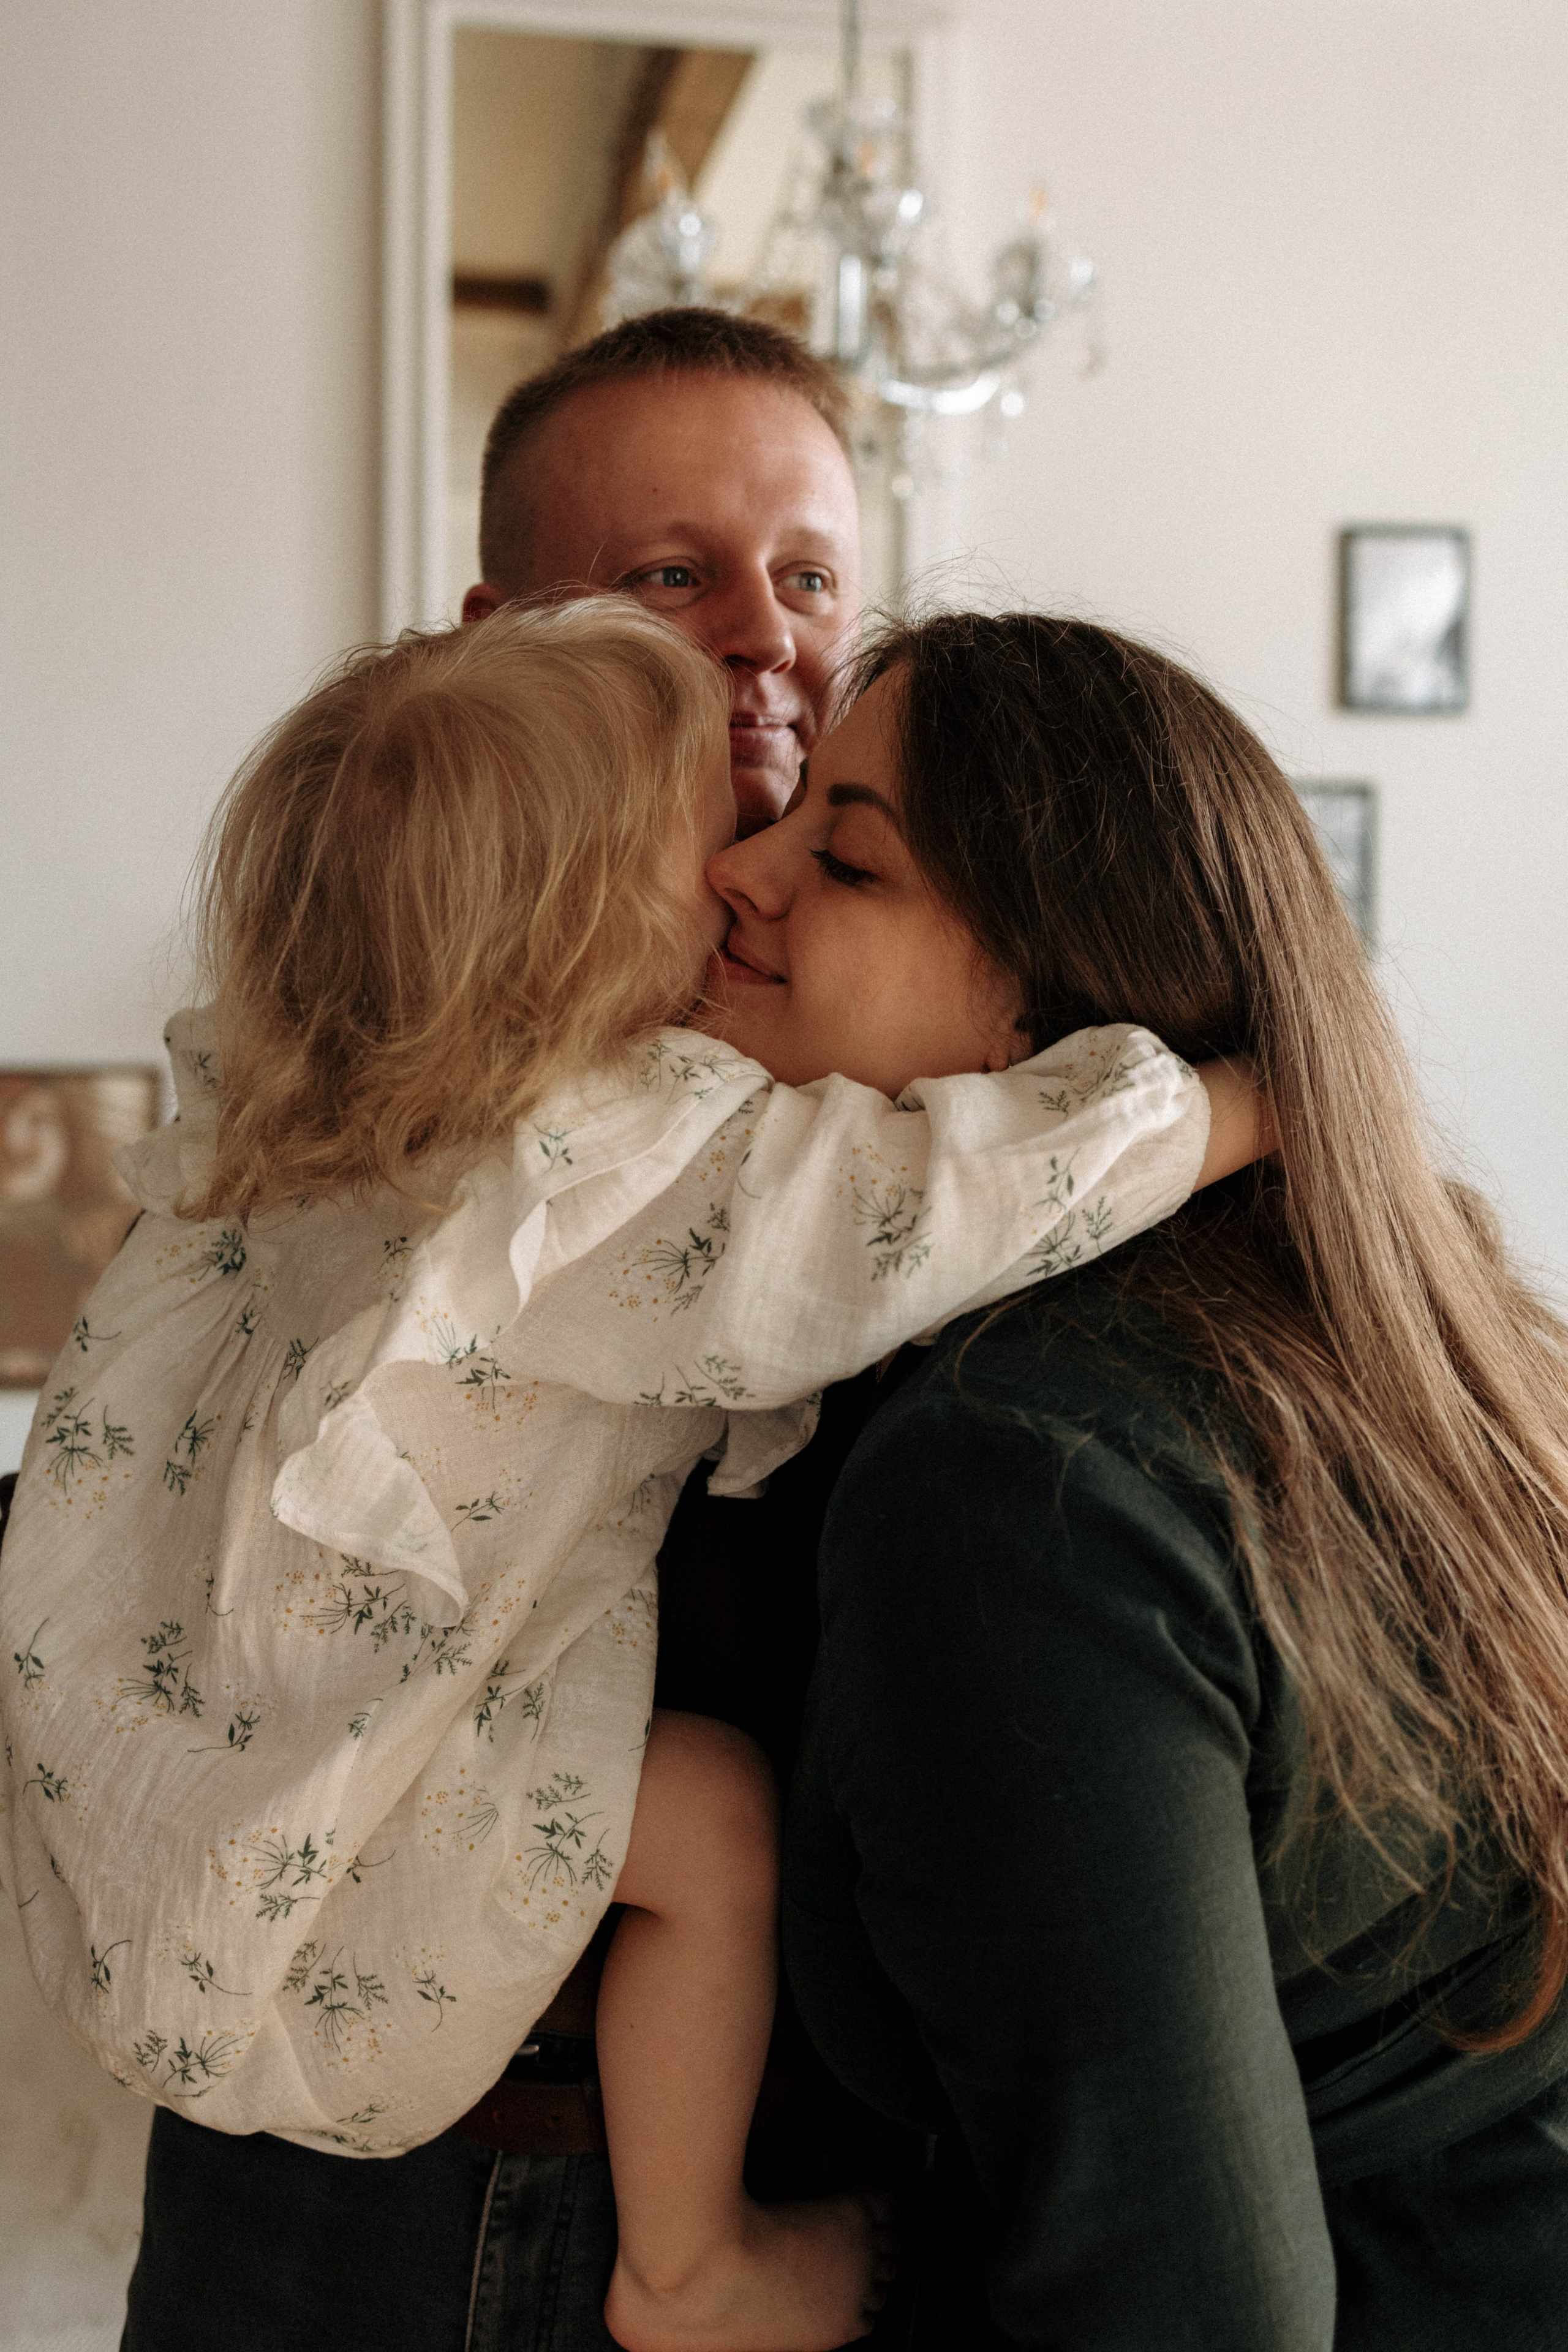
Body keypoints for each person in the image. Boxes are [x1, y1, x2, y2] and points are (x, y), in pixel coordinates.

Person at [1, 598, 1260, 2350]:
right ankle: (692, 2266)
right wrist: (1227, 1110)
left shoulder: (286, 1118)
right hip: (352, 1862)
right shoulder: (592, 1173)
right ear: (578, 944)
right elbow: (913, 1208)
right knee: (716, 1824)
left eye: (816, 832)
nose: (749, 875)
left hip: (185, 1806)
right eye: (720, 839)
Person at [729, 612, 1568, 2350]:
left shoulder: (1015, 1482)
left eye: (848, 855)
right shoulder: (1401, 1346)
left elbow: (1184, 2310)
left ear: (1048, 1023)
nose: (743, 873)